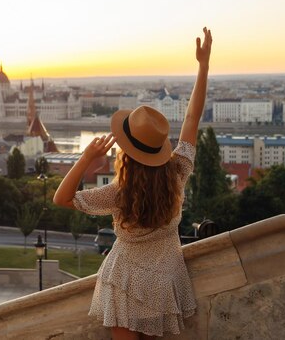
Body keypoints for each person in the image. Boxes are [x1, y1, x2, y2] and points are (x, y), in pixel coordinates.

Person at [53, 27, 212, 339]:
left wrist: (86, 158)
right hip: (163, 281)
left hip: (124, 280)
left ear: (126, 152)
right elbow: (192, 119)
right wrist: (203, 66)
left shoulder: (120, 194)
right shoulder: (177, 172)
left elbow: (62, 198)